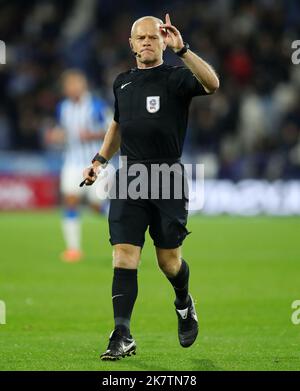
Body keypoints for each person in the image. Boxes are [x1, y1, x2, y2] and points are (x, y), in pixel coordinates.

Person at [82, 14, 219, 360]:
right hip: (130, 177)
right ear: (131, 44)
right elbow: (118, 126)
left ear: (163, 42)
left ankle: (184, 302)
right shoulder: (122, 83)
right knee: (124, 255)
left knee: (169, 262)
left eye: (153, 37)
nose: (146, 42)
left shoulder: (176, 78)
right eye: (140, 38)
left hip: (167, 177)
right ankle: (122, 333)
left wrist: (183, 49)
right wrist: (100, 160)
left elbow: (213, 83)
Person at [46, 69, 111, 262]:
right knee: (70, 201)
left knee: (96, 205)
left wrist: (92, 135)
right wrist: (56, 136)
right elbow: (61, 130)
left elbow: (113, 131)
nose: (72, 88)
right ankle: (73, 249)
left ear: (83, 86)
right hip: (72, 162)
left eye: (75, 84)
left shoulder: (97, 106)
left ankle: (125, 228)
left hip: (96, 163)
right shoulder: (63, 107)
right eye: (68, 85)